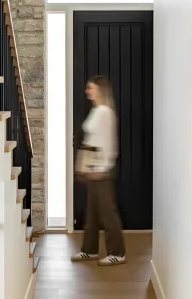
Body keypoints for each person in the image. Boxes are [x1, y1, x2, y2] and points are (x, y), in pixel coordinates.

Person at [71, 76, 126, 266]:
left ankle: (117, 253)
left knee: (108, 213)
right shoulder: (97, 111)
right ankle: (89, 250)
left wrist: (102, 168)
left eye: (91, 88)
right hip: (93, 168)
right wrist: (87, 168)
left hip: (102, 170)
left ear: (100, 90)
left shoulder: (105, 113)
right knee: (92, 213)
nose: (87, 91)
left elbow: (109, 144)